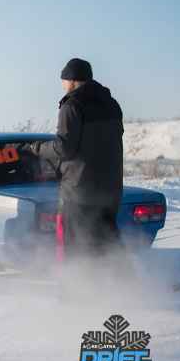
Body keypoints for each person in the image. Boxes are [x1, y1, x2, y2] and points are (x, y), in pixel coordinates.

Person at [38, 58, 125, 261]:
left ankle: (78, 282)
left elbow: (64, 147)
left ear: (72, 79)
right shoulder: (111, 104)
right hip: (110, 190)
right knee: (108, 245)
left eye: (63, 80)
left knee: (76, 249)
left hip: (80, 192)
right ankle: (122, 280)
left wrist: (37, 148)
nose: (62, 85)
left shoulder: (72, 105)